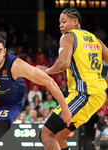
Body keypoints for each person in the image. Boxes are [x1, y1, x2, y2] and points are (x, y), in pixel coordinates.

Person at [37, 8, 108, 150]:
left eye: (64, 21)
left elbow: (63, 63)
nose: (60, 25)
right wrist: (104, 87)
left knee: (45, 133)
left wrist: (47, 71)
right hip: (94, 95)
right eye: (59, 22)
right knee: (58, 135)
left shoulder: (68, 36)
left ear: (75, 21)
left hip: (84, 95)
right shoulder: (95, 39)